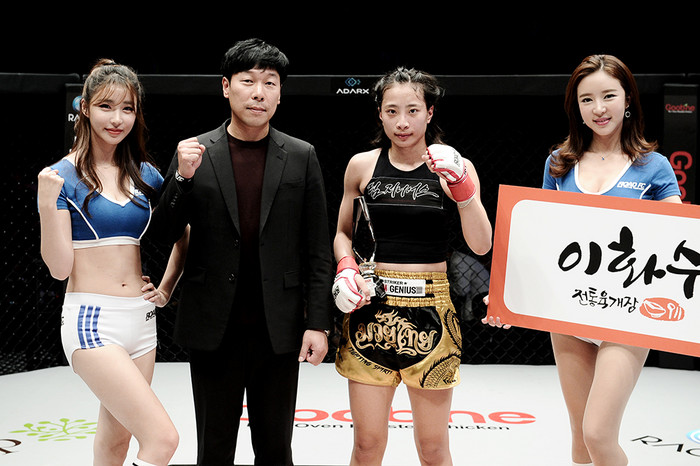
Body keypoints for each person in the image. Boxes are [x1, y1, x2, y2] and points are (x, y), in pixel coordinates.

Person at [152, 38, 333, 466]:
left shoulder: (302, 155)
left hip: (279, 327)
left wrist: (318, 324)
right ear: (225, 87)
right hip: (214, 325)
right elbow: (162, 234)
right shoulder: (195, 152)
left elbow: (317, 249)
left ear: (280, 93)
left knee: (276, 449)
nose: (259, 92)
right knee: (214, 449)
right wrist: (181, 179)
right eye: (248, 81)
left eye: (269, 82)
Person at [332, 67, 492, 465]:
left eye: (412, 110)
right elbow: (342, 234)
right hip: (371, 306)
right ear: (380, 114)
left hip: (431, 307)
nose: (402, 122)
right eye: (392, 111)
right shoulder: (362, 165)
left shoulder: (455, 165)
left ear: (430, 112)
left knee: (433, 448)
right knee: (366, 444)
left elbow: (482, 244)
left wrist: (463, 188)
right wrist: (346, 266)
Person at [36, 59, 178, 466]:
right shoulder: (60, 177)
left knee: (116, 443)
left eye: (127, 108)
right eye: (106, 106)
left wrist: (166, 287)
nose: (117, 119)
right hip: (92, 322)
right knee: (163, 440)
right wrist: (47, 205)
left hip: (142, 321)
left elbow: (183, 231)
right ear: (84, 108)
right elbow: (59, 269)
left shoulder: (146, 174)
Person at [543, 55, 682, 466]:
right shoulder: (559, 163)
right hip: (569, 311)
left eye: (608, 96)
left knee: (598, 434)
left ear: (628, 100)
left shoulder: (654, 167)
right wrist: (507, 295)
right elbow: (540, 234)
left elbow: (676, 241)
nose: (598, 108)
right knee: (580, 442)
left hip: (629, 313)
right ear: (576, 107)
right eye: (587, 99)